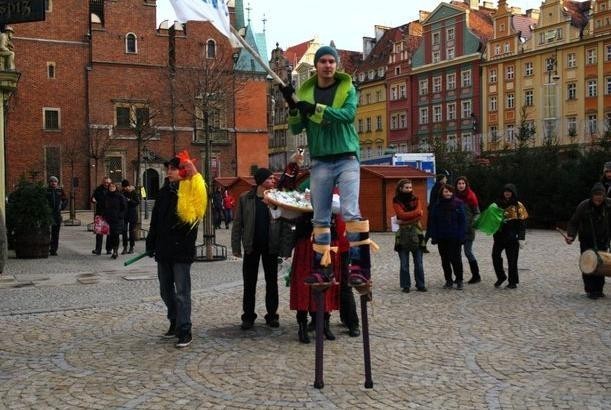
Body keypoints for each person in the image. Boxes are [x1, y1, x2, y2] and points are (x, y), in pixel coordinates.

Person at [279, 45, 375, 291]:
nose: (328, 65)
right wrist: (292, 105)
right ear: (317, 66)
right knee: (320, 216)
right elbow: (296, 129)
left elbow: (348, 115)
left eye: (332, 61)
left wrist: (315, 109)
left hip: (346, 157)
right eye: (323, 61)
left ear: (337, 65)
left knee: (350, 210)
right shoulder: (306, 92)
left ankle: (360, 268)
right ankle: (322, 269)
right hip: (321, 159)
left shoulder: (347, 88)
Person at [146, 152, 206, 348]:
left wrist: (194, 174)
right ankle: (174, 320)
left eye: (172, 169)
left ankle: (184, 329)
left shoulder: (190, 191)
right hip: (163, 249)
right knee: (165, 290)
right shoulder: (163, 193)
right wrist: (150, 241)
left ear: (182, 171)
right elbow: (155, 220)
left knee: (182, 292)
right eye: (168, 169)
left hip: (181, 250)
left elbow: (200, 200)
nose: (169, 172)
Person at [231, 168, 280, 330]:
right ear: (261, 181)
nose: (273, 181)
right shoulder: (246, 198)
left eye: (273, 178)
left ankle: (272, 315)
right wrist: (236, 246)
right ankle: (248, 316)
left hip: (271, 246)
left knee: (272, 282)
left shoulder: (276, 197)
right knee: (249, 282)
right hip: (251, 245)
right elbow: (238, 224)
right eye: (270, 178)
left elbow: (283, 222)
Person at [565, 183, 610, 299]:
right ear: (592, 195)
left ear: (604, 196)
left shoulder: (609, 205)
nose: (598, 197)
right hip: (587, 240)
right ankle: (590, 289)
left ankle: (599, 289)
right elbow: (573, 222)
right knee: (588, 264)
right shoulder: (584, 206)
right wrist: (571, 235)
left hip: (602, 240)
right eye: (596, 195)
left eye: (601, 195)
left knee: (601, 265)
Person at [429, 184, 466, 289]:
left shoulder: (458, 204)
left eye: (450, 191)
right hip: (442, 236)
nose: (448, 193)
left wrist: (461, 236)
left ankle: (459, 280)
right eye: (446, 192)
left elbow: (462, 221)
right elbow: (434, 221)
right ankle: (448, 280)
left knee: (456, 259)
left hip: (455, 236)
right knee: (445, 260)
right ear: (442, 193)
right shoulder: (437, 205)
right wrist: (434, 236)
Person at [392, 179, 426, 293]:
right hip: (402, 234)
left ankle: (421, 284)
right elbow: (400, 214)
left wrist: (404, 220)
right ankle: (406, 285)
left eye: (410, 187)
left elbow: (419, 215)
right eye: (406, 187)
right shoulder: (396, 200)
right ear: (401, 188)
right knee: (404, 263)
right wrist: (414, 215)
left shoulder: (416, 199)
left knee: (419, 262)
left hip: (417, 232)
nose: (409, 189)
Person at [492, 183, 528, 289]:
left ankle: (513, 282)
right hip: (499, 236)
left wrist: (521, 238)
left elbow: (522, 223)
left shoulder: (518, 205)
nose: (507, 193)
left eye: (509, 191)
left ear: (513, 193)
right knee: (495, 256)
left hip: (512, 237)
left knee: (512, 260)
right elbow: (491, 218)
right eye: (505, 191)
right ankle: (501, 276)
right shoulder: (496, 204)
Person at [455, 176, 481, 284]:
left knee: (468, 252)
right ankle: (458, 277)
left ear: (466, 185)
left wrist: (472, 223)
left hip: (468, 230)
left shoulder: (471, 197)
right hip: (456, 230)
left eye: (463, 183)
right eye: (459, 183)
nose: (461, 185)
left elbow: (477, 213)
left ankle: (476, 275)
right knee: (456, 254)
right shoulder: (453, 197)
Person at [423, 171, 449, 252]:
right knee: (431, 229)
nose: (446, 179)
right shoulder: (440, 188)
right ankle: (424, 245)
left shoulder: (436, 187)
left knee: (430, 229)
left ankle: (425, 244)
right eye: (445, 178)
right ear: (441, 180)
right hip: (435, 211)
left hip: (433, 210)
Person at [103, 182, 127, 259]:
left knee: (116, 235)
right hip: (109, 219)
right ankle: (112, 249)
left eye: (113, 186)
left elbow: (124, 207)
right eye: (110, 186)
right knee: (111, 236)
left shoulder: (120, 196)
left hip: (117, 219)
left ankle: (115, 251)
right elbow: (103, 206)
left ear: (116, 188)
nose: (112, 188)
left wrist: (120, 216)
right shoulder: (106, 196)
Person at [46, 176, 67, 256]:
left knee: (55, 233)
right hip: (48, 214)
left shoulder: (60, 190)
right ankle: (46, 247)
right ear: (49, 182)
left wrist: (62, 207)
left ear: (57, 183)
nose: (53, 183)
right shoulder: (46, 190)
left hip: (57, 214)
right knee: (47, 231)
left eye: (55, 181)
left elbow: (65, 199)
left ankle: (54, 250)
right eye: (51, 181)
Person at [91, 176, 111, 255]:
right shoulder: (98, 189)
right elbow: (92, 198)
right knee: (99, 232)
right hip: (100, 213)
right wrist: (93, 200)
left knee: (109, 232)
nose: (106, 184)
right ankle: (98, 249)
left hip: (110, 214)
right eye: (105, 182)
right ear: (103, 182)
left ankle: (109, 249)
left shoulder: (112, 189)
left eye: (108, 182)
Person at [121, 179, 140, 254]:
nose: (125, 189)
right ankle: (125, 247)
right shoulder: (122, 193)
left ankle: (131, 247)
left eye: (126, 187)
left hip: (132, 214)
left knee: (131, 231)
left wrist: (129, 200)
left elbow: (137, 202)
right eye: (124, 187)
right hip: (124, 214)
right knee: (124, 231)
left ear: (129, 186)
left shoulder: (134, 192)